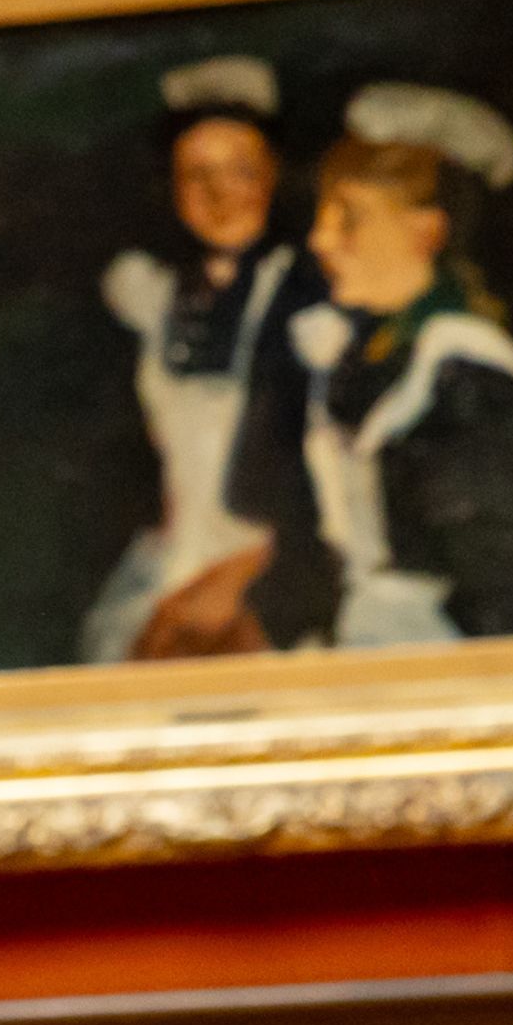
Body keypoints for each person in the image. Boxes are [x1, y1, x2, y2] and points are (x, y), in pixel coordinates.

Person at [288, 81, 513, 647]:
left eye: (349, 217)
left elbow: (503, 599)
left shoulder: (471, 379)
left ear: (427, 232)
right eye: (322, 214)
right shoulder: (364, 353)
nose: (320, 239)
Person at [82, 55, 330, 660]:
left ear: (272, 178)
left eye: (240, 171)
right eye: (197, 176)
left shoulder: (306, 296)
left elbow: (326, 481)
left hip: (275, 562)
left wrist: (240, 577)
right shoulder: (151, 293)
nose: (220, 196)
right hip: (173, 555)